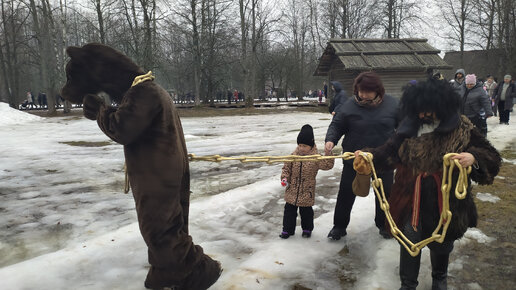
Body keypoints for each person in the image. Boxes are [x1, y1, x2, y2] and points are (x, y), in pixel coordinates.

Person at [60, 43, 221, 290]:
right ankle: (177, 270)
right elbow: (133, 120)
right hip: (162, 172)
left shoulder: (143, 93)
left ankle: (191, 271)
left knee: (158, 229)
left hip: (156, 177)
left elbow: (122, 128)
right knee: (167, 227)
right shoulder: (148, 89)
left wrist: (100, 111)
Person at [354, 78, 501, 290]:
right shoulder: (409, 128)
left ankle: (439, 279)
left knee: (442, 242)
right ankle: (408, 284)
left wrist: (473, 157)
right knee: (409, 241)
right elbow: (388, 153)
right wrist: (368, 156)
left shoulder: (462, 129)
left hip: (446, 202)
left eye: (428, 110)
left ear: (441, 106)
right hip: (409, 199)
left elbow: (492, 157)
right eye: (419, 110)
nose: (423, 115)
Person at [324, 71, 399, 240]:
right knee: (346, 193)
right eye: (360, 91)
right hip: (355, 160)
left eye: (368, 91)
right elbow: (336, 125)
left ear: (378, 91)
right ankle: (339, 226)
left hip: (383, 158)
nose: (363, 95)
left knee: (385, 194)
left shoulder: (393, 105)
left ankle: (385, 225)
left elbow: (404, 127)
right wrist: (331, 140)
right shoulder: (349, 105)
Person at [279, 124, 334, 239]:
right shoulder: (293, 156)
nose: (302, 148)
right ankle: (287, 230)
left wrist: (328, 154)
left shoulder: (316, 157)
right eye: (300, 145)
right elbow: (286, 169)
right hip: (292, 189)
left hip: (307, 190)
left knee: (306, 212)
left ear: (311, 145)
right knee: (289, 211)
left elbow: (327, 165)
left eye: (304, 146)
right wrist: (285, 178)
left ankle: (307, 229)